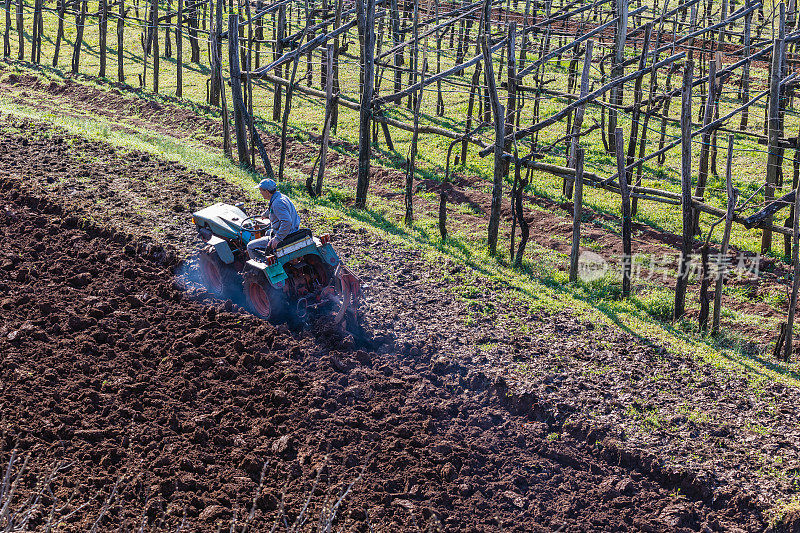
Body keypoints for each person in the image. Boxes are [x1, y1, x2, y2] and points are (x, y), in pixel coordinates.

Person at [246, 178, 301, 260]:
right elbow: (272, 209)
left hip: (286, 236)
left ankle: (266, 264)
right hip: (294, 231)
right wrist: (265, 214)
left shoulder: (277, 203)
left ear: (267, 192)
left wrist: (277, 238)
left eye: (261, 191)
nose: (260, 193)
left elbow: (287, 222)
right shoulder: (280, 197)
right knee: (268, 232)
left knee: (250, 246)